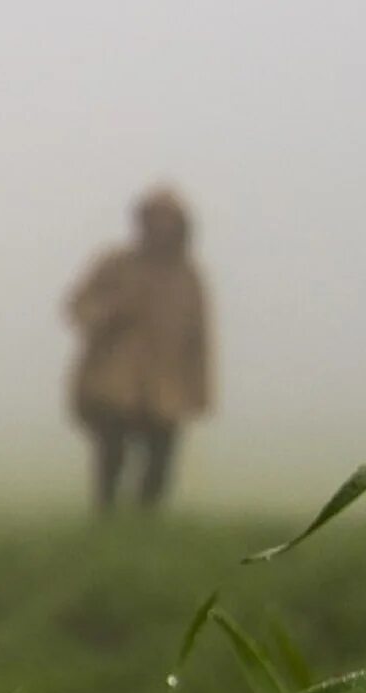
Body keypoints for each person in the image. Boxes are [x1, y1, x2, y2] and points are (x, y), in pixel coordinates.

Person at [65, 187, 211, 513]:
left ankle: (146, 526)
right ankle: (106, 521)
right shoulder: (115, 264)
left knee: (160, 461)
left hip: (166, 387)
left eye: (169, 221)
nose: (162, 227)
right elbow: (77, 308)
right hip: (115, 384)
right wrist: (110, 311)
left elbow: (199, 340)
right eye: (155, 219)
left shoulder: (188, 276)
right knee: (111, 456)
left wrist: (200, 391)